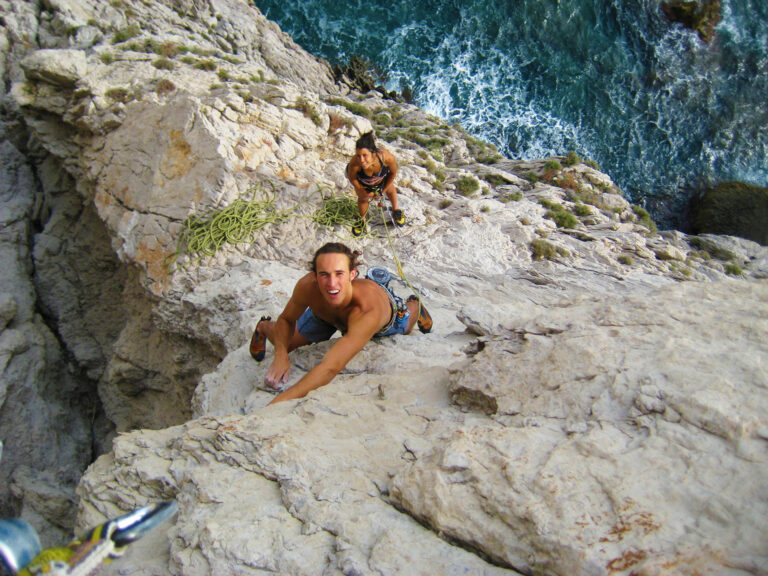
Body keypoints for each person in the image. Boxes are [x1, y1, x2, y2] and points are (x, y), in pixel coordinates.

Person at [249, 242, 432, 404]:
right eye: (324, 275)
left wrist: (276, 404)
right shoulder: (308, 286)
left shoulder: (368, 311)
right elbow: (286, 319)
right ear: (315, 275)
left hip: (385, 316)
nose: (332, 283)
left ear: (353, 274)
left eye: (339, 274)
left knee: (406, 326)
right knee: (288, 344)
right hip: (326, 312)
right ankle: (263, 327)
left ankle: (414, 304)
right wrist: (280, 355)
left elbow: (330, 367)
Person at [346, 131, 404, 236]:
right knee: (363, 198)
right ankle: (362, 219)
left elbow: (393, 173)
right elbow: (352, 178)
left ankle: (396, 209)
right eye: (358, 155)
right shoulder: (355, 163)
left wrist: (382, 191)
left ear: (373, 153)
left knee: (390, 189)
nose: (361, 160)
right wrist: (362, 190)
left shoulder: (387, 157)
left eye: (365, 155)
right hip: (363, 181)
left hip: (380, 178)